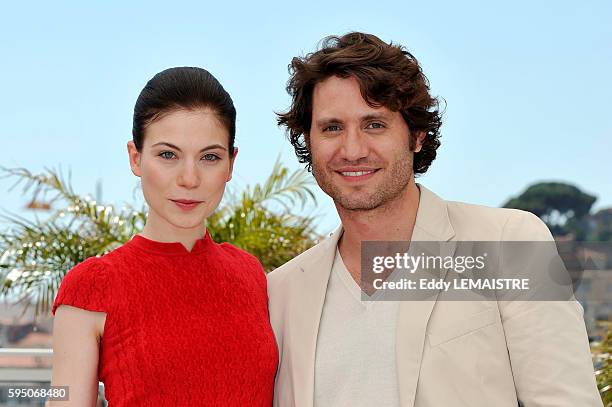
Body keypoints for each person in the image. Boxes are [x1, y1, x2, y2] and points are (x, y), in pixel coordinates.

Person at [268, 32, 602, 406]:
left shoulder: (507, 244)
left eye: (374, 124)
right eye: (332, 127)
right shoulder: (281, 293)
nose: (353, 149)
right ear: (308, 141)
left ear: (416, 136)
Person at [50, 67, 278, 406]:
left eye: (210, 157)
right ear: (136, 157)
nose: (189, 178)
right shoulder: (91, 287)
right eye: (168, 155)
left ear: (231, 164)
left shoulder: (251, 274)